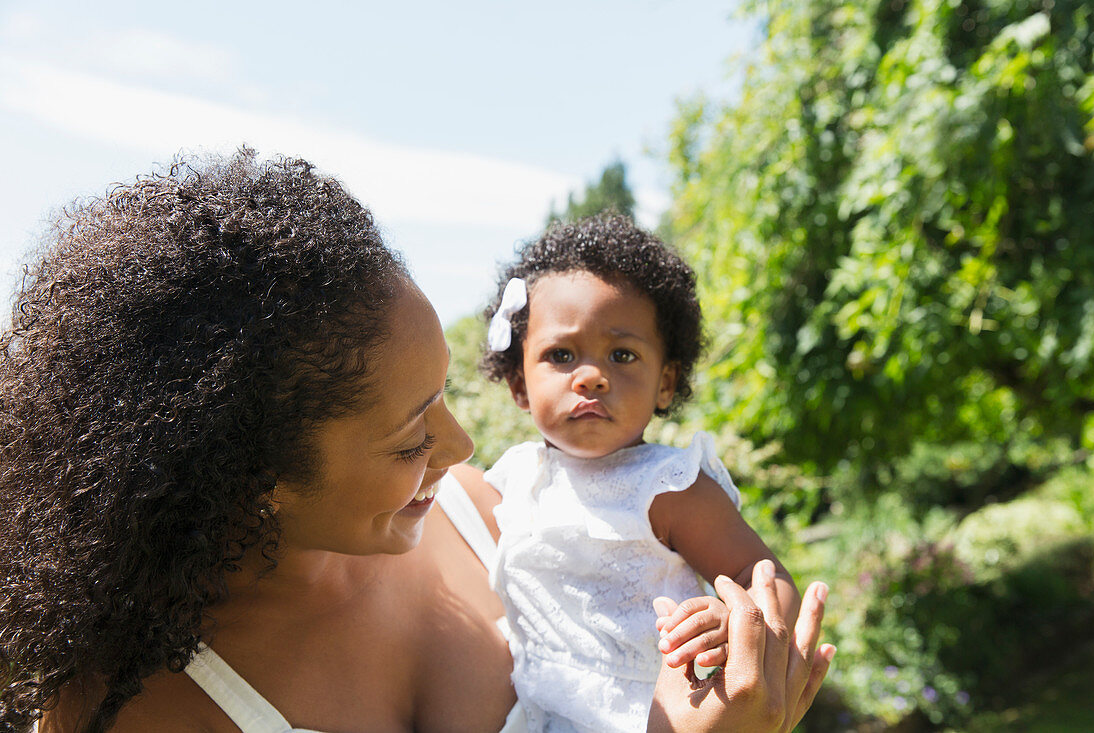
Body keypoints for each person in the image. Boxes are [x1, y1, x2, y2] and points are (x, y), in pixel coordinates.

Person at [0, 151, 832, 733]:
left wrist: (735, 655)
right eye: (408, 440)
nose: (464, 444)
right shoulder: (137, 707)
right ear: (253, 477)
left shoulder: (500, 521)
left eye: (442, 395)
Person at [477, 216, 801, 732]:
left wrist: (734, 622)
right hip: (538, 714)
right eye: (560, 355)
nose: (591, 376)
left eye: (622, 355)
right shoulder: (516, 477)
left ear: (666, 383)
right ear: (519, 383)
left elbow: (764, 578)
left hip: (652, 715)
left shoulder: (668, 486)